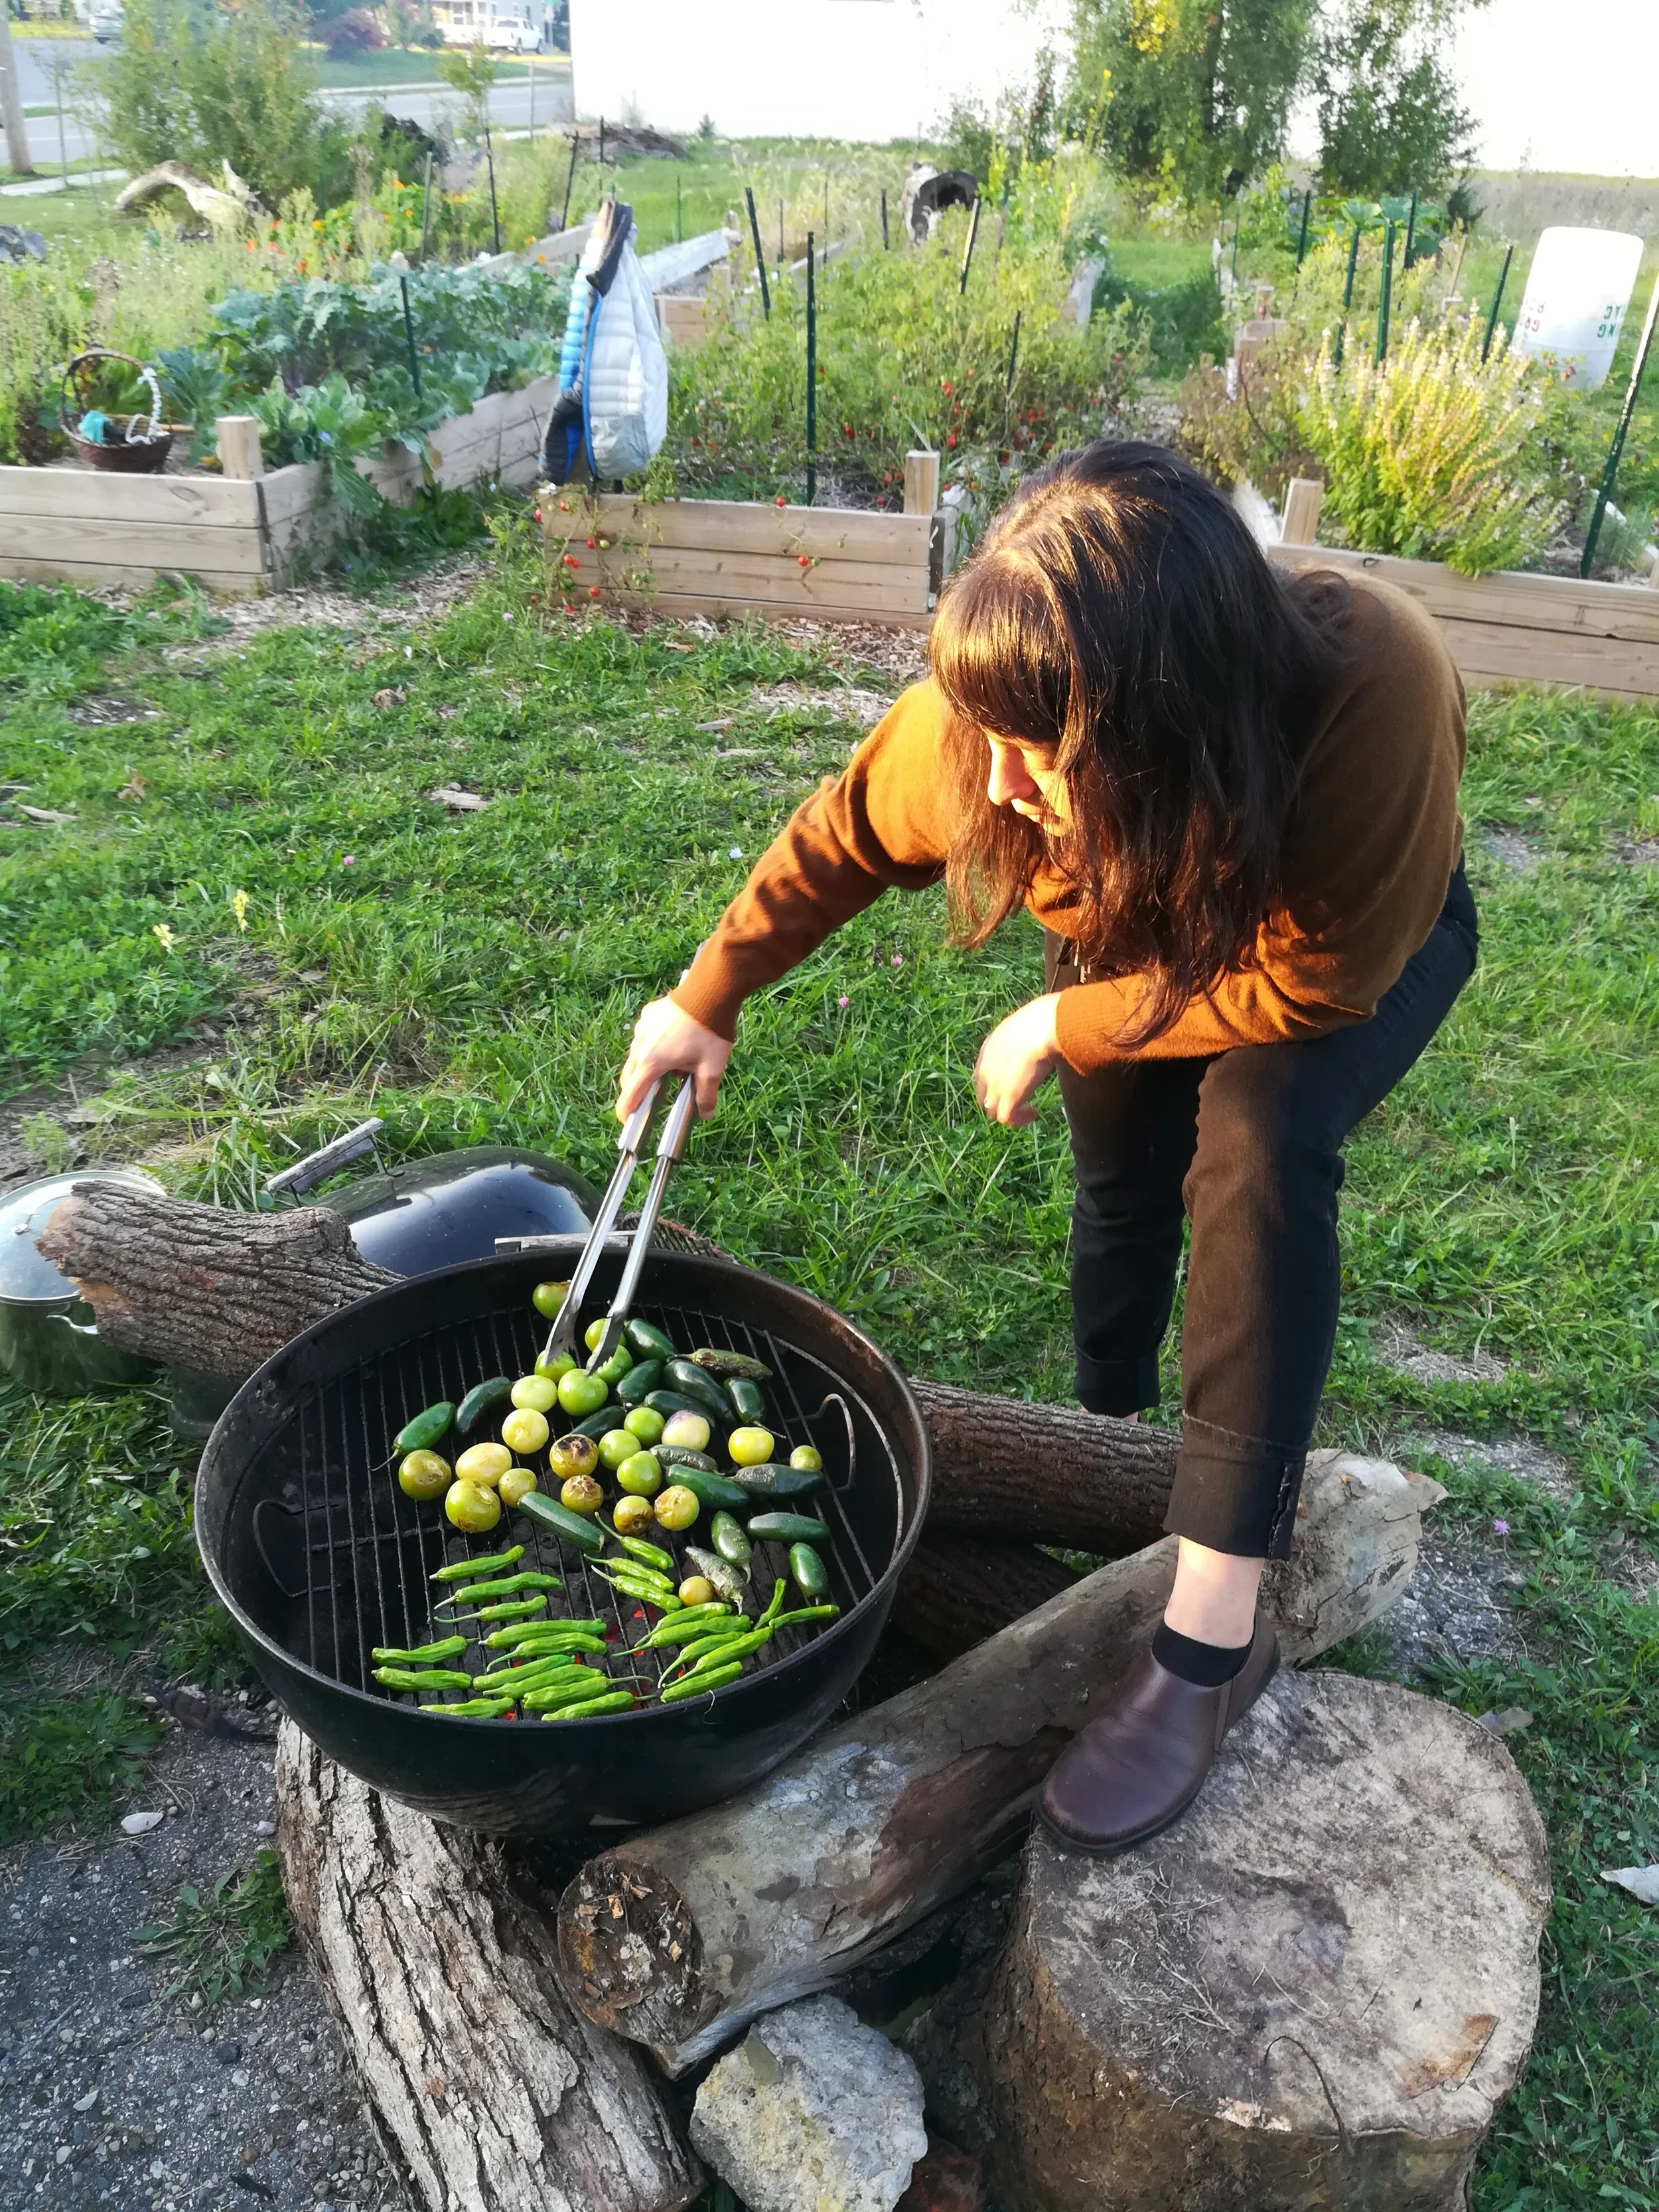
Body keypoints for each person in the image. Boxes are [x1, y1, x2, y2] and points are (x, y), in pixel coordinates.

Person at [616, 440, 1475, 1855]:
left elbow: (1318, 982)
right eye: (992, 745)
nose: (1001, 789)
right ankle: (1115, 1441)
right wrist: (703, 996)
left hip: (1350, 933)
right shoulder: (993, 727)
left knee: (1253, 1138)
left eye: (1043, 753)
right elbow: (842, 830)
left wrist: (1067, 1011)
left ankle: (1209, 1641)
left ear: (1168, 723)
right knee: (1119, 1146)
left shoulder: (1366, 685)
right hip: (1156, 909)